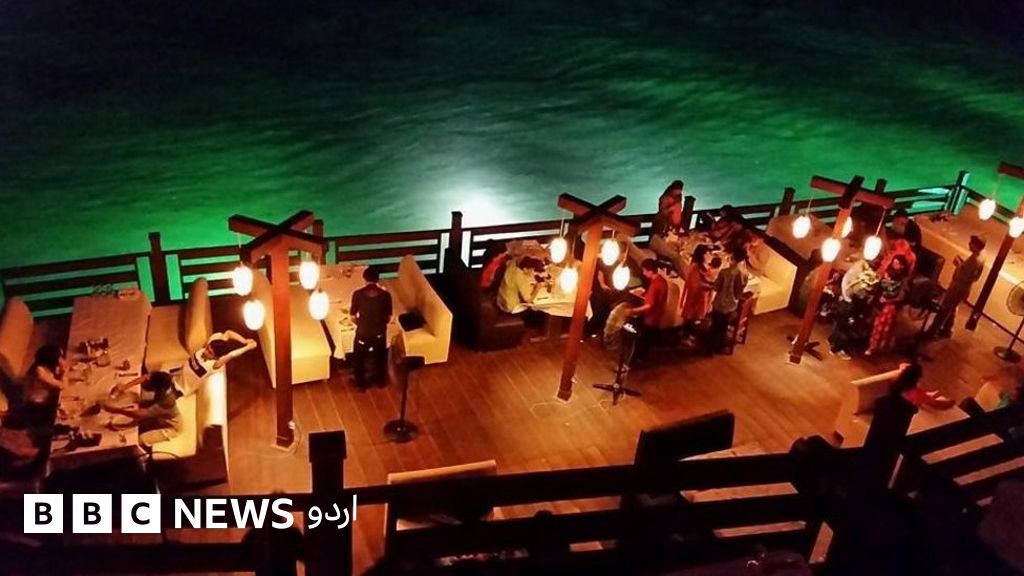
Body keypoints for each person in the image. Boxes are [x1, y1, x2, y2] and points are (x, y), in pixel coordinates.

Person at [104, 371, 184, 449]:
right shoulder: (162, 378)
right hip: (161, 416)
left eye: (151, 384)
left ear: (161, 390)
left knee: (138, 440)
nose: (146, 384)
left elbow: (139, 414)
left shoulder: (167, 401)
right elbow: (145, 377)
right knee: (135, 401)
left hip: (172, 427)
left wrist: (115, 410)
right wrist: (125, 387)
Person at [931, 234, 986, 338]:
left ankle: (933, 330)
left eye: (972, 243)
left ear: (977, 245)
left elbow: (964, 273)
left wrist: (958, 264)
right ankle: (948, 329)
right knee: (952, 308)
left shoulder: (975, 260)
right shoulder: (981, 258)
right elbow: (974, 275)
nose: (969, 244)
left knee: (945, 308)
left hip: (959, 286)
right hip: (964, 287)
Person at [351, 266, 394, 389]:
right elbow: (389, 317)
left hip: (363, 333)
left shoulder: (358, 294)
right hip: (379, 333)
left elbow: (352, 316)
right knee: (380, 358)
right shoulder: (386, 295)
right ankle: (380, 381)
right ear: (378, 279)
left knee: (359, 359)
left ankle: (360, 384)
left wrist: (360, 323)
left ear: (364, 279)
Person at [180, 331, 256, 396]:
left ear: (216, 357)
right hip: (177, 375)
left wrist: (248, 347)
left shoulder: (214, 364)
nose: (205, 351)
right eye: (207, 348)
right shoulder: (211, 347)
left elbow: (232, 355)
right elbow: (228, 333)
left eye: (210, 352)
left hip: (180, 390)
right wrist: (244, 341)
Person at [866, 255, 909, 356]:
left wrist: (888, 300)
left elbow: (901, 296)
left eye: (897, 263)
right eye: (894, 262)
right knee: (874, 323)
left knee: (882, 328)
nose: (894, 265)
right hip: (878, 302)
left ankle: (875, 347)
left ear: (902, 266)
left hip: (889, 306)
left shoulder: (903, 280)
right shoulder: (887, 272)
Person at [709, 247, 749, 353]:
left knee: (715, 326)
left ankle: (711, 346)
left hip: (720, 304)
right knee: (723, 327)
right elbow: (740, 290)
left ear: (733, 257)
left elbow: (716, 287)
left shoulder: (725, 272)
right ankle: (720, 345)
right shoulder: (745, 273)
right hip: (732, 305)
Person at [628, 259, 668, 365]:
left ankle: (633, 362)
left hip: (650, 318)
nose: (643, 273)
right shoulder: (662, 281)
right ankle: (643, 359)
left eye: (644, 271)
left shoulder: (654, 285)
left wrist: (632, 311)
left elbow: (648, 305)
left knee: (641, 340)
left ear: (650, 271)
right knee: (647, 341)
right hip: (657, 316)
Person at [648, 184, 687, 276]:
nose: (679, 193)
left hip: (671, 226)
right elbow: (662, 212)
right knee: (671, 252)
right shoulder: (666, 199)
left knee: (676, 248)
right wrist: (673, 208)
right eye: (677, 191)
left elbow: (677, 213)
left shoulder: (678, 198)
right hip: (662, 225)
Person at [888, 362, 955, 410]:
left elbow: (902, 365)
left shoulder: (896, 381)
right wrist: (948, 403)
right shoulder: (916, 393)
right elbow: (935, 404)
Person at [681, 244, 716, 329]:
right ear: (702, 255)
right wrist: (709, 285)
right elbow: (695, 284)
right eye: (707, 253)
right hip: (695, 298)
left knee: (694, 320)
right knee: (690, 319)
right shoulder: (695, 267)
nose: (709, 255)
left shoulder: (702, 266)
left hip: (699, 298)